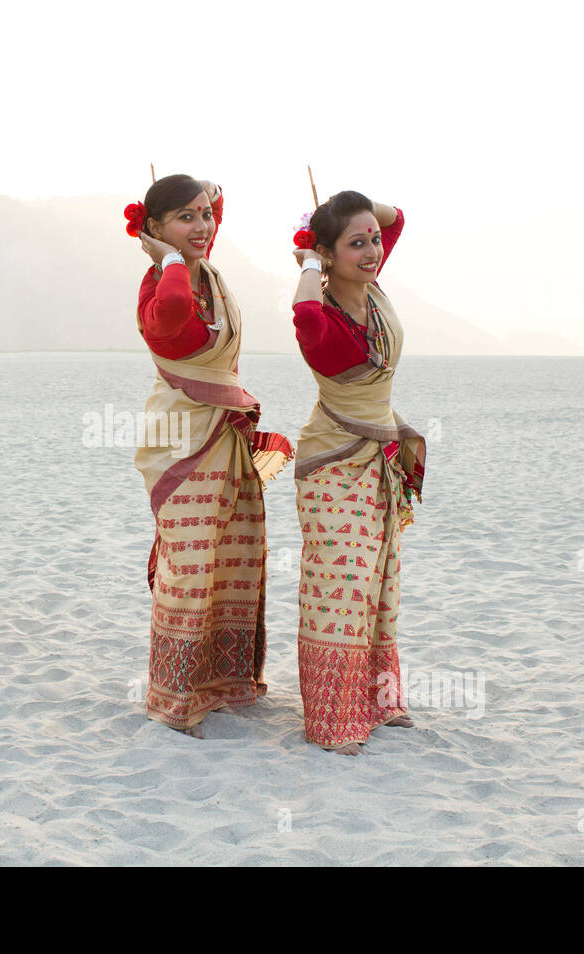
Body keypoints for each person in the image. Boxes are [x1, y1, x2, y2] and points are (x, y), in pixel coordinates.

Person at [125, 174, 293, 738]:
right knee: (189, 568)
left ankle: (221, 684)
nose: (204, 226)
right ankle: (173, 698)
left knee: (231, 558)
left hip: (224, 434)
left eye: (206, 215)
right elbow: (174, 310)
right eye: (186, 218)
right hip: (181, 439)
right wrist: (168, 257)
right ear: (154, 230)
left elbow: (215, 202)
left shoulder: (205, 274)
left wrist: (203, 198)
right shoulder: (161, 288)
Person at [288, 190, 426, 756]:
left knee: (377, 582)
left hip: (379, 458)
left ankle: (376, 699)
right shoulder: (323, 320)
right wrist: (308, 258)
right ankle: (333, 718)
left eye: (373, 241)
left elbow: (398, 217)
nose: (373, 251)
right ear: (328, 256)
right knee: (340, 588)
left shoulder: (371, 288)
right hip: (334, 461)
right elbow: (301, 313)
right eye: (357, 244)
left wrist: (353, 211)